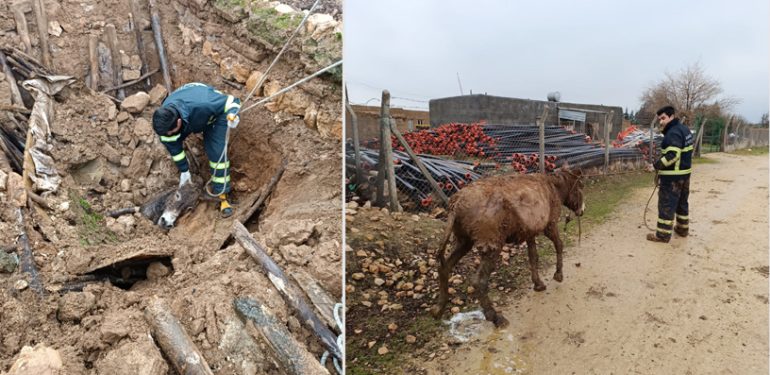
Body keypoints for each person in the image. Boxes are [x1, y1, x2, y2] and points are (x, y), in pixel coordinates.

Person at [152, 82, 241, 218]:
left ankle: (222, 196)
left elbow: (232, 101)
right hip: (191, 116)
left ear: (178, 122)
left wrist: (233, 114)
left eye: (170, 133)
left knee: (217, 153)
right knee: (173, 139)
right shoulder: (165, 125)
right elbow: (174, 148)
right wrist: (184, 170)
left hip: (214, 116)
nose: (167, 136)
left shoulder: (205, 104)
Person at [647, 105, 693, 243]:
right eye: (659, 119)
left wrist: (655, 166)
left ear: (671, 116)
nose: (661, 122)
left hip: (672, 177)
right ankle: (682, 229)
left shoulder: (673, 133)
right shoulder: (685, 130)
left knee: (666, 205)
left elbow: (673, 155)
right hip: (685, 175)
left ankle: (662, 235)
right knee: (682, 203)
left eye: (663, 118)